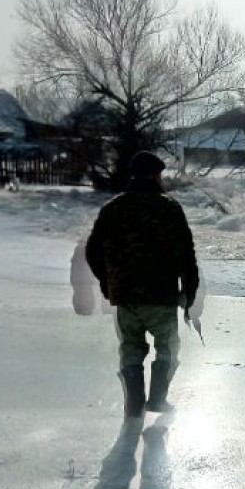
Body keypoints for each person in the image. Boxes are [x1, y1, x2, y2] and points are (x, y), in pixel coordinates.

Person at [86, 151, 199, 417]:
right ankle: (157, 400)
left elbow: (92, 251)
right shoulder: (169, 208)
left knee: (131, 350)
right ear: (157, 175)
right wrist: (189, 293)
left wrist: (107, 282)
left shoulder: (112, 208)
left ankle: (134, 406)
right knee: (168, 348)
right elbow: (186, 254)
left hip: (125, 296)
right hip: (161, 296)